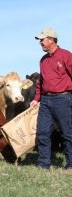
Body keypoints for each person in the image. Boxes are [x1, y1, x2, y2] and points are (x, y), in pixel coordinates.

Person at [30, 27, 72, 172]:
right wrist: (36, 99)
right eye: (40, 40)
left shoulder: (66, 56)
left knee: (67, 133)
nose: (40, 42)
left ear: (51, 40)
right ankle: (43, 164)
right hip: (46, 101)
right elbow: (41, 83)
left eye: (42, 40)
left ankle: (71, 164)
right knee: (42, 133)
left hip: (63, 99)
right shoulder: (43, 61)